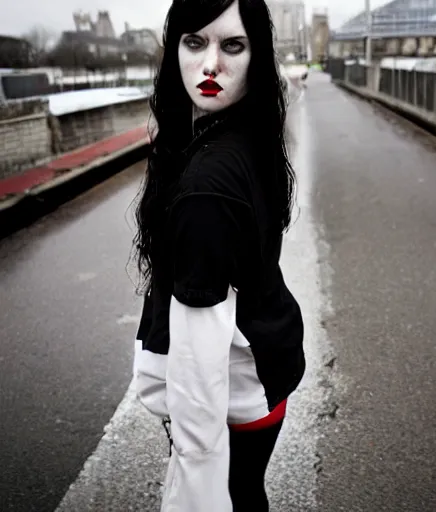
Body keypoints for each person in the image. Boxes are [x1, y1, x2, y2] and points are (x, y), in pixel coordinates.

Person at [132, 0, 305, 510]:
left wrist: (194, 485)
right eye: (194, 43)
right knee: (249, 494)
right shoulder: (246, 134)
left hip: (235, 388)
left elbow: (198, 366)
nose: (210, 67)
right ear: (175, 51)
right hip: (265, 363)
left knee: (233, 497)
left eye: (233, 46)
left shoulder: (207, 186)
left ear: (257, 55)